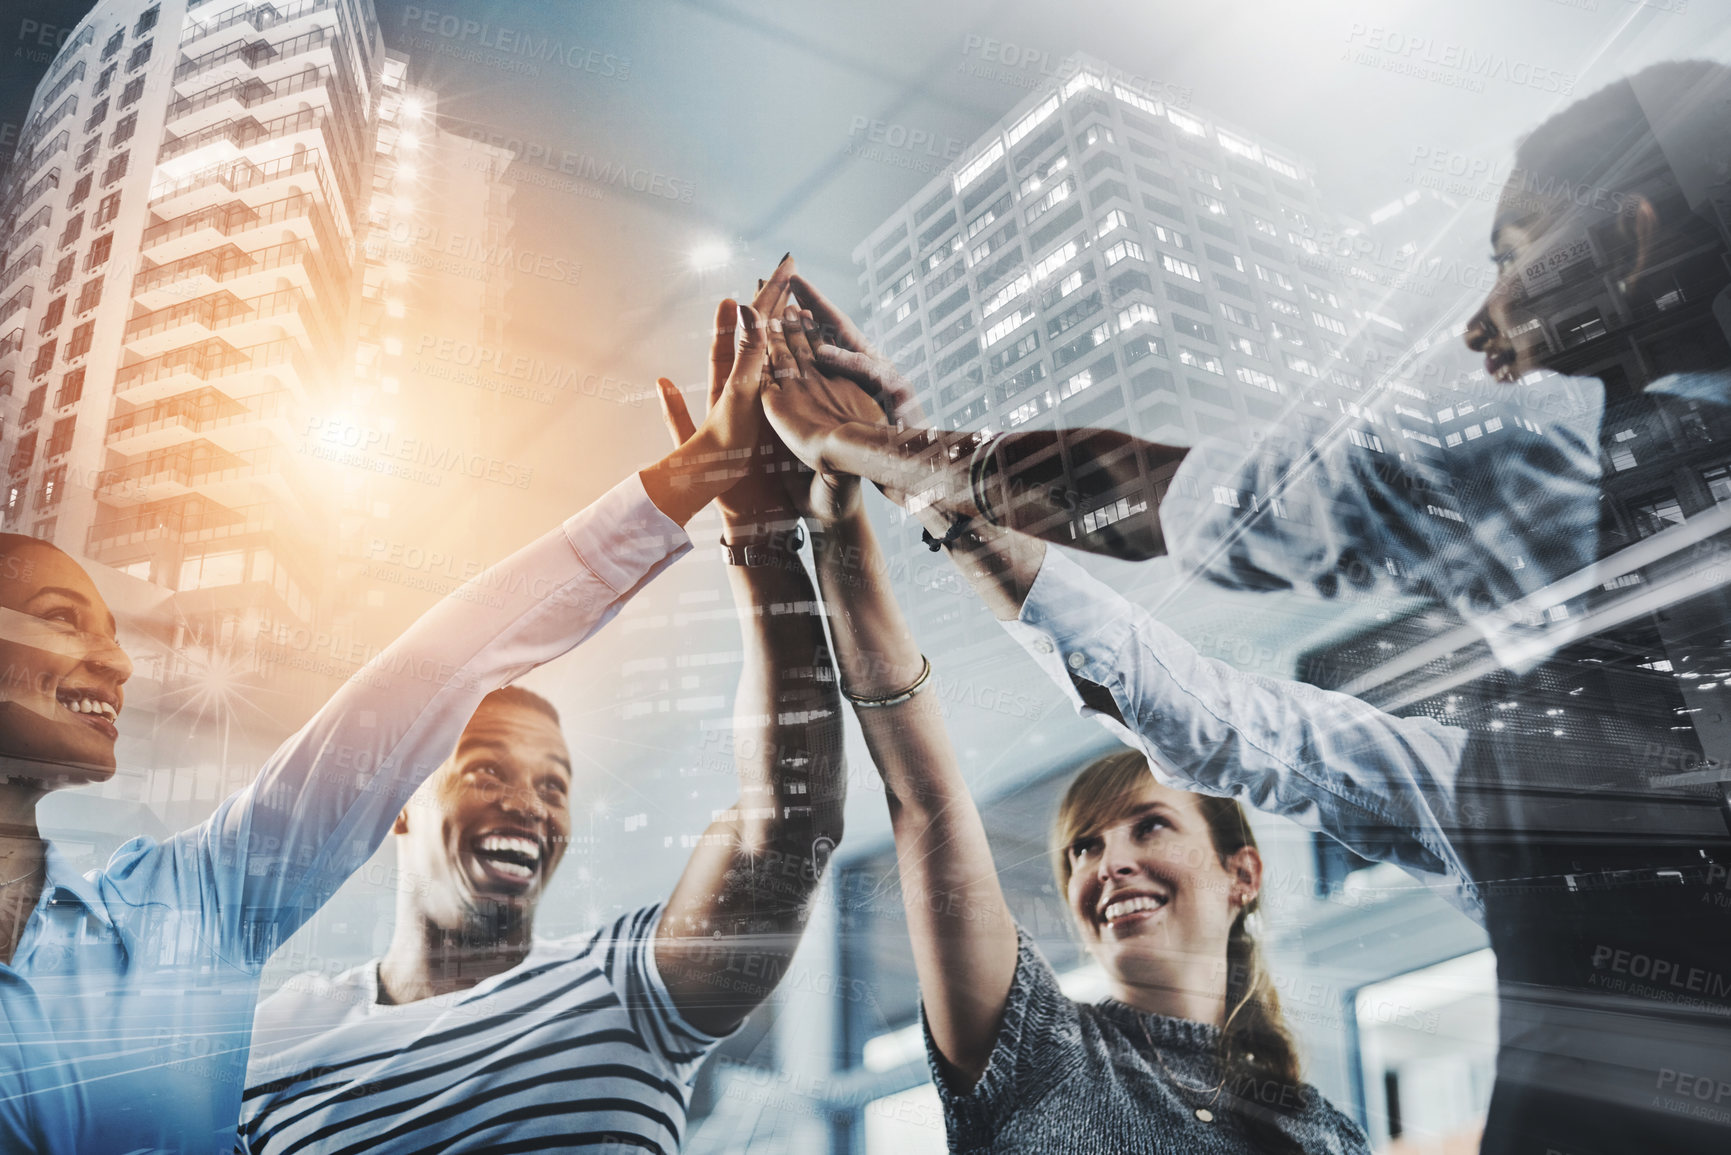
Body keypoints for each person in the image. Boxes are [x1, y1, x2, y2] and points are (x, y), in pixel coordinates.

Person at [762, 63, 1731, 1155]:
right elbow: (1218, 718)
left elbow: (1202, 507)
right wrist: (905, 482)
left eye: (1515, 256)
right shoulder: (1519, 779)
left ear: (1639, 240)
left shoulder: (1564, 472)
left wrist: (894, 457)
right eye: (1083, 847)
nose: (1480, 323)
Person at [0, 257, 794, 1155]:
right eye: (64, 623)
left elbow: (430, 672)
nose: (115, 661)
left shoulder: (190, 909)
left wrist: (695, 478)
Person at [234, 289, 846, 1155]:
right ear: (400, 800)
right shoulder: (269, 1045)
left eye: (553, 783)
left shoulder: (624, 991)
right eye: (488, 768)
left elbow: (783, 836)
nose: (530, 803)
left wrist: (763, 541)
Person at [764, 305, 1367, 1153]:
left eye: (1148, 824)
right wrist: (839, 508)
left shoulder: (1322, 1133)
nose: (1107, 862)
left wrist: (907, 462)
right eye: (1081, 848)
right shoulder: (1041, 1055)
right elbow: (927, 798)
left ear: (1243, 874)